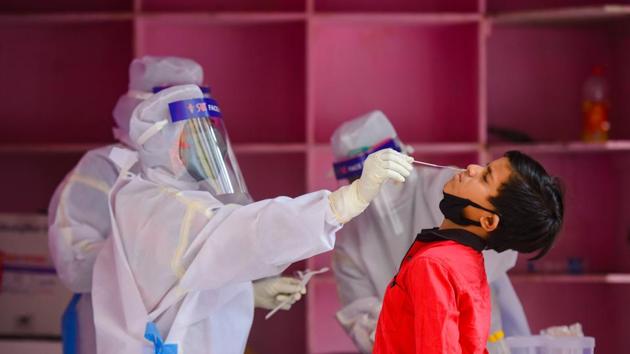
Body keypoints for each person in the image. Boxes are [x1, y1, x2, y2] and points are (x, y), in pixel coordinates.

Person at [91, 84, 414, 354]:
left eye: (212, 137)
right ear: (172, 147)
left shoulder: (147, 196)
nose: (211, 150)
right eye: (196, 140)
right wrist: (345, 202)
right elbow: (247, 232)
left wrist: (247, 294)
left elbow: (182, 281)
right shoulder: (163, 209)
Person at [47, 56, 307, 354]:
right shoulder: (105, 169)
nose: (189, 133)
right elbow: (75, 264)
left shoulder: (196, 172)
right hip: (118, 334)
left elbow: (221, 245)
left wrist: (245, 289)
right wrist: (160, 256)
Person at [330, 111, 531, 353]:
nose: (472, 169)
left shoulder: (450, 188)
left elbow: (497, 246)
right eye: (359, 175)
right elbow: (359, 311)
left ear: (402, 153)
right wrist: (403, 330)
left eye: (385, 166)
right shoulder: (349, 236)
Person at [372, 147, 564, 353]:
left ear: (488, 220)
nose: (472, 168)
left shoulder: (434, 265)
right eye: (486, 167)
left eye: (485, 178)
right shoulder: (468, 261)